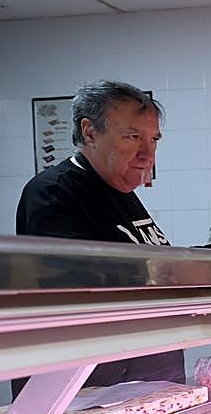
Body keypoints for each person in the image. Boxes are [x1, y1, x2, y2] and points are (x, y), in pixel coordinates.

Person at [15, 80, 183, 388]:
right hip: (86, 390)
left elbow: (150, 261)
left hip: (140, 381)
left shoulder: (119, 191)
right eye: (133, 137)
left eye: (154, 140)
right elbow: (79, 282)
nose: (148, 153)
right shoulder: (54, 192)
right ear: (90, 132)